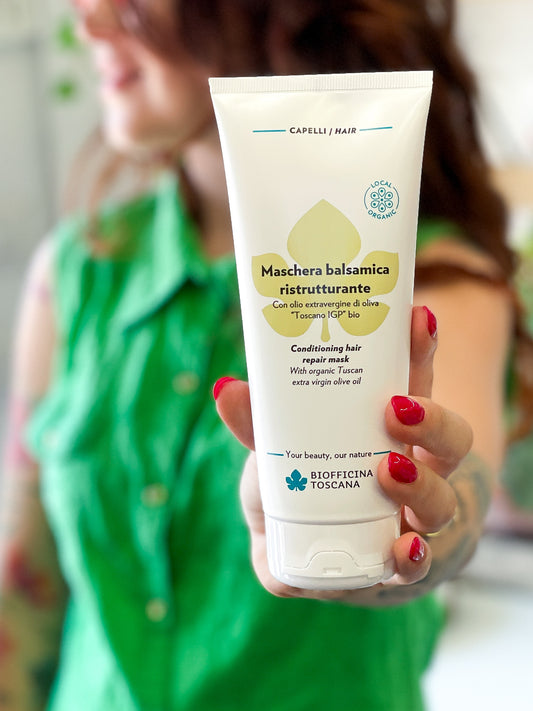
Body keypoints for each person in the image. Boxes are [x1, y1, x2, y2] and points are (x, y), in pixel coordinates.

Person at [0, 0, 530, 709]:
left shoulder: (425, 284)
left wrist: (407, 533)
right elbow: (24, 599)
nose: (87, 23)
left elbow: (455, 504)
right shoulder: (78, 270)